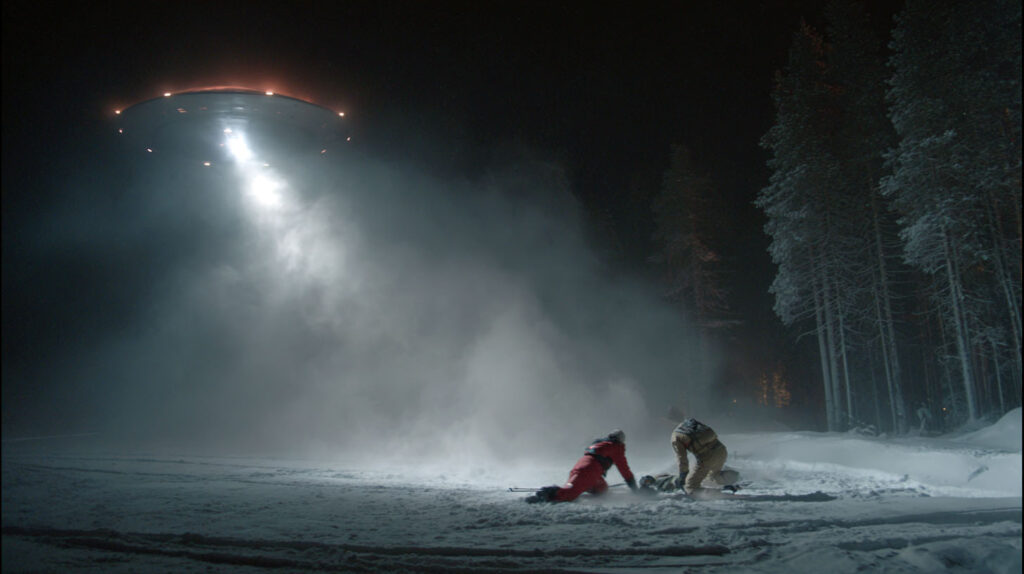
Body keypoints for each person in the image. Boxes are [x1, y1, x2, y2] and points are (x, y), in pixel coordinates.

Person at [526, 429, 637, 503]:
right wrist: (634, 487)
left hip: (584, 468)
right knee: (567, 495)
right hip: (588, 471)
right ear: (620, 440)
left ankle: (583, 486)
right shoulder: (616, 447)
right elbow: (624, 469)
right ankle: (544, 494)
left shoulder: (600, 443)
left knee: (602, 490)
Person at [670, 416, 736, 494]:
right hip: (721, 450)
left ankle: (721, 493)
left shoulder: (675, 436)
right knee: (711, 476)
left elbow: (682, 458)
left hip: (707, 457)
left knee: (690, 487)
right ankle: (731, 478)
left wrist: (683, 476)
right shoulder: (690, 423)